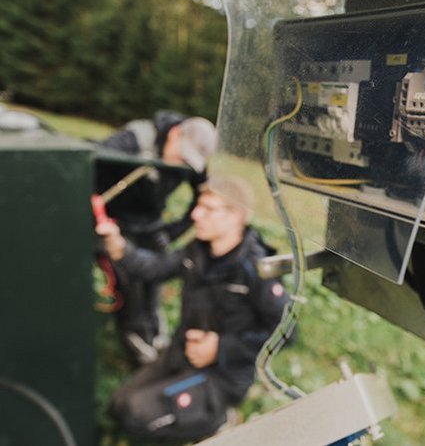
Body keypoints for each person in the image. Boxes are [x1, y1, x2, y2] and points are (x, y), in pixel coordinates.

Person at [96, 175, 289, 441]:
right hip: (180, 356)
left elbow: (286, 331)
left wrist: (220, 348)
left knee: (137, 417)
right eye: (198, 206)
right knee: (119, 405)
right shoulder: (197, 250)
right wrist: (120, 248)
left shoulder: (256, 269)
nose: (196, 214)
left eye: (207, 209)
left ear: (236, 216)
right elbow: (155, 268)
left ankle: (220, 421)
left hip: (221, 376)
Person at [96, 110, 218, 364]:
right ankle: (134, 334)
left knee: (155, 273)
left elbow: (202, 192)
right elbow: (90, 173)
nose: (182, 164)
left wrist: (177, 228)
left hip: (152, 222)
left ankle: (154, 328)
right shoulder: (133, 141)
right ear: (174, 134)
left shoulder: (190, 158)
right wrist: (101, 223)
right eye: (182, 156)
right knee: (128, 278)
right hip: (117, 221)